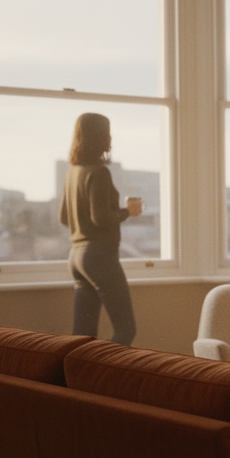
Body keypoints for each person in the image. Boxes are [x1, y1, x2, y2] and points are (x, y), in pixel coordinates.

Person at [58, 112, 142, 345]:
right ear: (99, 136)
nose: (111, 137)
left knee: (82, 336)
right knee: (126, 331)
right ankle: (105, 376)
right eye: (107, 132)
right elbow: (102, 220)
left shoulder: (72, 172)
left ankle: (73, 378)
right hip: (99, 256)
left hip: (76, 258)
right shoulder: (99, 173)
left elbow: (64, 217)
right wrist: (128, 211)